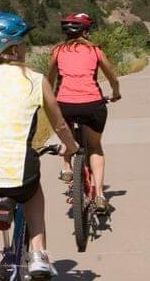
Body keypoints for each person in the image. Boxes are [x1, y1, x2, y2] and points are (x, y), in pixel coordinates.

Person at [0, 12, 79, 281]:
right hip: (17, 170)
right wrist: (70, 146)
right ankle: (38, 252)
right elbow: (59, 123)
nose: (25, 47)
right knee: (33, 195)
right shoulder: (35, 80)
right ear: (13, 48)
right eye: (23, 42)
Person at [46, 12, 121, 213]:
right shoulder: (95, 51)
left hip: (65, 105)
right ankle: (99, 196)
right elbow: (112, 77)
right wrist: (115, 93)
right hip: (92, 104)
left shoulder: (57, 51)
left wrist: (50, 97)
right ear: (86, 32)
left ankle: (67, 168)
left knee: (65, 134)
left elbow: (49, 79)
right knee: (95, 147)